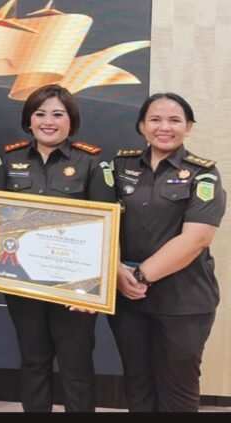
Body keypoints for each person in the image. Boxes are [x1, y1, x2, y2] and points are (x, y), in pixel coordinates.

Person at [0, 84, 115, 412]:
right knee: (33, 360)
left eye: (58, 114)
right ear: (28, 120)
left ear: (71, 120)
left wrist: (94, 289)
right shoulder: (9, 159)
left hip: (74, 286)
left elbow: (107, 228)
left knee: (76, 364)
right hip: (22, 281)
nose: (48, 121)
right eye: (40, 114)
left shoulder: (91, 162)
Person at [109, 93, 226, 412]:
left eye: (175, 120)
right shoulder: (119, 167)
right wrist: (115, 269)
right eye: (155, 119)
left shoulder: (203, 174)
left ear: (188, 127)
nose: (165, 127)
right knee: (137, 385)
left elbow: (196, 239)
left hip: (183, 301)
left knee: (177, 390)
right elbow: (102, 222)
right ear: (141, 126)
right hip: (129, 300)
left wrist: (138, 276)